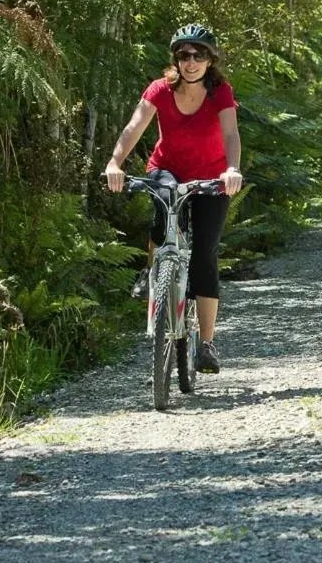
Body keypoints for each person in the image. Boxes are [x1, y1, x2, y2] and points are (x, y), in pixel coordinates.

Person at [104, 23, 244, 374]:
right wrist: (114, 163)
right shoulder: (160, 90)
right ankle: (155, 271)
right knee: (161, 203)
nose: (191, 62)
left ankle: (207, 345)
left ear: (210, 61)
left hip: (212, 177)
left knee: (204, 257)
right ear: (176, 60)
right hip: (167, 169)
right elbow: (134, 127)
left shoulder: (220, 92)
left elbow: (230, 133)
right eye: (184, 55)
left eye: (199, 55)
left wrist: (232, 169)